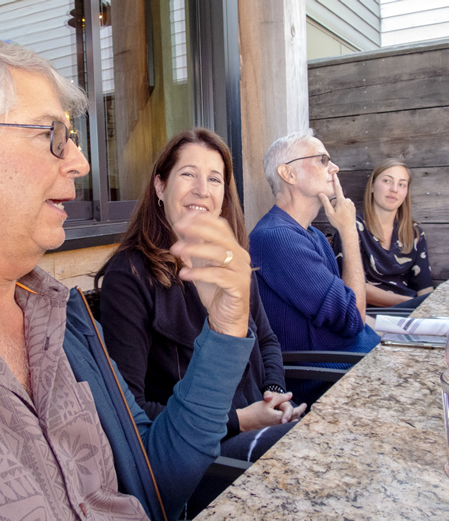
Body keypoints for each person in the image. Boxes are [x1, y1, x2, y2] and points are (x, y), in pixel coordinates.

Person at [0, 32, 255, 521]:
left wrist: (226, 325)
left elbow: (154, 480)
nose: (81, 163)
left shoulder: (61, 317)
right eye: (53, 137)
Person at [96, 128, 306, 463]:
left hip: (263, 425)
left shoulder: (229, 259)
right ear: (160, 186)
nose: (202, 190)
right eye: (188, 174)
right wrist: (240, 420)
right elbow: (130, 408)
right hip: (203, 457)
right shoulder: (130, 276)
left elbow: (265, 340)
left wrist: (275, 394)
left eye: (214, 179)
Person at [248, 130, 380, 404]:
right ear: (288, 174)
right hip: (327, 376)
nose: (334, 168)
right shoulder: (276, 238)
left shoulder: (314, 235)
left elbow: (351, 311)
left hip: (359, 359)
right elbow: (353, 317)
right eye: (322, 159)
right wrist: (349, 231)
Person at [333, 158, 433, 309]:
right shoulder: (350, 226)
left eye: (402, 184)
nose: (394, 189)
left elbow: (424, 288)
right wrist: (409, 304)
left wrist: (429, 309)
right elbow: (349, 284)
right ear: (372, 186)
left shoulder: (414, 233)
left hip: (408, 315)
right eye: (387, 181)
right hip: (365, 314)